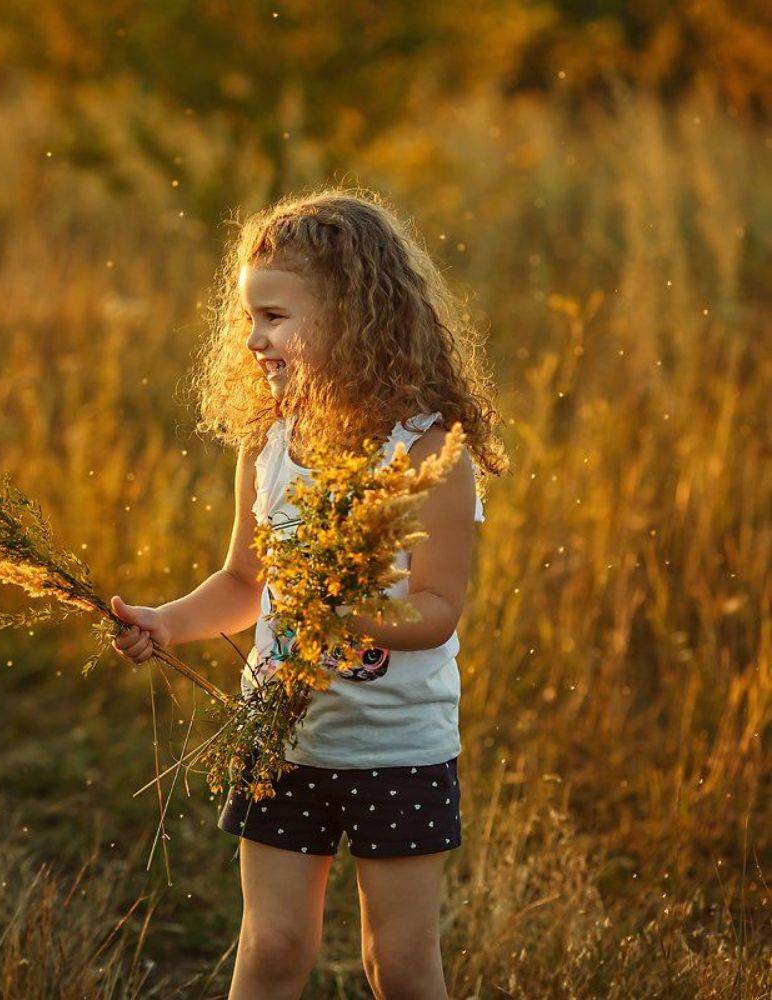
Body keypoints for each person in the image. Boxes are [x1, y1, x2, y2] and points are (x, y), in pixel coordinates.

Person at [110, 187, 508, 999]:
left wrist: (342, 613)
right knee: (273, 947)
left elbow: (437, 612)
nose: (254, 339)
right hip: (282, 737)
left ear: (356, 314)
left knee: (396, 963)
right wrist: (165, 622)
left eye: (276, 317)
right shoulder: (270, 440)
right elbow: (242, 583)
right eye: (250, 317)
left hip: (398, 746)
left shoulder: (429, 453)